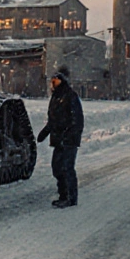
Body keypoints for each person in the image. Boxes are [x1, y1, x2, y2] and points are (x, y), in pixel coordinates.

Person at [36, 69, 83, 208]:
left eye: (56, 81)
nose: (53, 84)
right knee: (56, 168)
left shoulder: (70, 96)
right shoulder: (56, 97)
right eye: (52, 81)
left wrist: (70, 135)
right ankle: (63, 194)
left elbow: (77, 120)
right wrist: (45, 132)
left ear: (62, 81)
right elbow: (53, 119)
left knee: (67, 168)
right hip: (58, 140)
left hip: (68, 140)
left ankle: (70, 197)